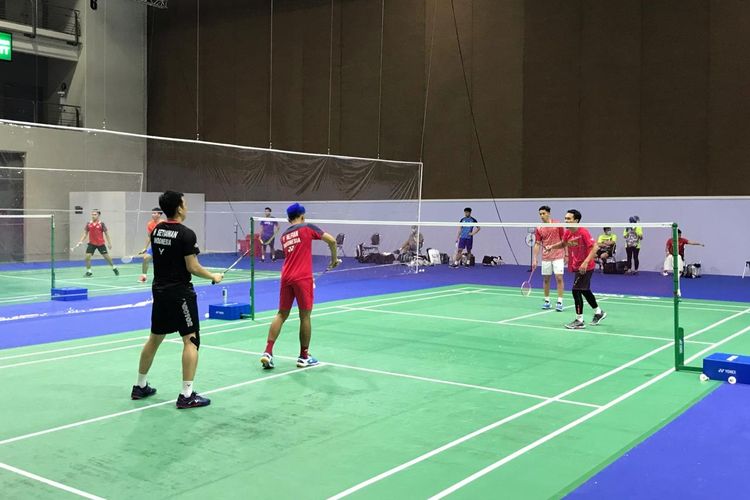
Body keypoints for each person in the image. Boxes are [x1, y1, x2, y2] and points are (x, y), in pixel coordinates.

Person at [130, 191, 223, 409]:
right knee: (190, 340)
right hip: (180, 294)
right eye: (185, 203)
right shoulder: (186, 234)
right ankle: (186, 395)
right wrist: (213, 276)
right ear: (179, 208)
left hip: (160, 291)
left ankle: (140, 386)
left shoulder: (157, 230)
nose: (187, 207)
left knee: (154, 339)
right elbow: (192, 267)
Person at [260, 203, 339, 370]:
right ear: (302, 216)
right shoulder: (307, 227)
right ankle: (304, 356)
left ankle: (267, 352)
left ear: (288, 218)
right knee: (305, 316)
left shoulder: (284, 236)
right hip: (302, 277)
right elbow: (332, 241)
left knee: (281, 314)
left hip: (286, 276)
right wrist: (333, 260)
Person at [545, 209, 606, 330]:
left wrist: (585, 262)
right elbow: (563, 244)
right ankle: (599, 312)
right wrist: (551, 247)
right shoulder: (568, 233)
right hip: (577, 265)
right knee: (584, 290)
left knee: (576, 290)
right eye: (565, 218)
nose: (566, 220)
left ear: (576, 220)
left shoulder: (583, 232)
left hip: (586, 266)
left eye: (569, 218)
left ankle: (579, 320)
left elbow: (595, 247)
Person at [531, 205, 565, 311]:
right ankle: (547, 301)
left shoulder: (557, 224)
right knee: (546, 279)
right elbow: (537, 244)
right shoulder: (539, 228)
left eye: (543, 213)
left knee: (559, 278)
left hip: (558, 255)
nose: (542, 216)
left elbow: (564, 240)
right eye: (540, 214)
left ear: (549, 213)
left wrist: (567, 254)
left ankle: (560, 301)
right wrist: (535, 258)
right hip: (546, 257)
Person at [73, 209, 119, 277]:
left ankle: (114, 268)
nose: (93, 216)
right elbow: (85, 234)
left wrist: (109, 243)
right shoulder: (88, 224)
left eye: (95, 214)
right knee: (87, 257)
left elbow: (106, 234)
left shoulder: (101, 224)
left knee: (107, 257)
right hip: (92, 243)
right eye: (92, 214)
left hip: (100, 244)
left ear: (98, 215)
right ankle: (89, 271)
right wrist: (81, 241)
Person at [138, 207, 164, 283]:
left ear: (159, 214)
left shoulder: (164, 223)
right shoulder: (150, 224)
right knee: (146, 258)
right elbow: (149, 237)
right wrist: (145, 248)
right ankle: (144, 276)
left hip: (164, 246)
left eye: (155, 213)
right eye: (152, 213)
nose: (153, 214)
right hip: (155, 246)